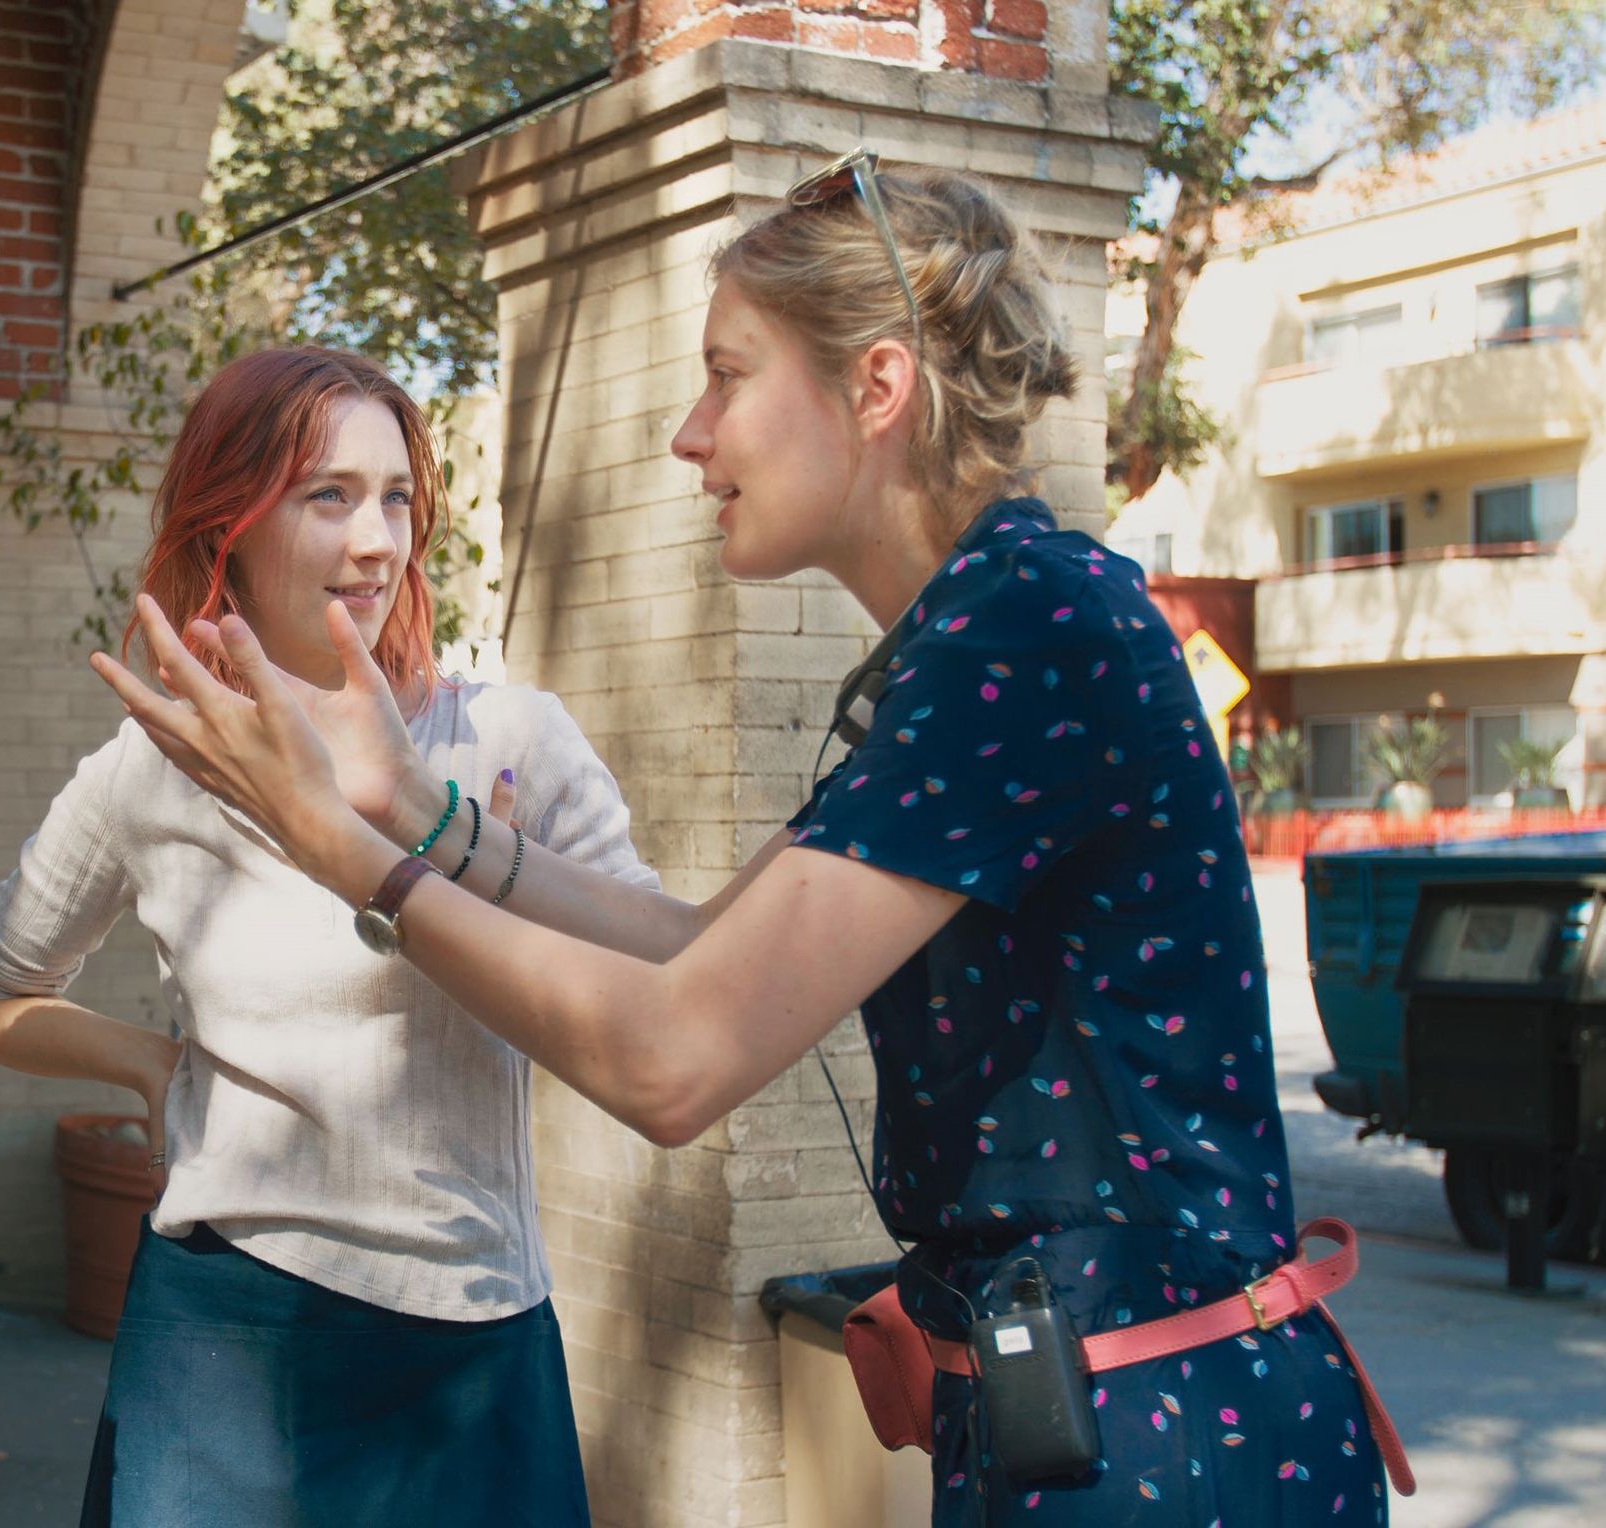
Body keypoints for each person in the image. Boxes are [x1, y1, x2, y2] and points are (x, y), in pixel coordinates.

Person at [91, 158, 1409, 1525]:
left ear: (875, 388)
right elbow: (703, 946)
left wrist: (341, 851)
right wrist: (414, 812)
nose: (685, 432)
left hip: (1161, 1446)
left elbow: (672, 1062)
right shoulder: (979, 627)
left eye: (726, 375)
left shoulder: (1032, 628)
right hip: (1063, 1424)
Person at [0, 346, 662, 1525]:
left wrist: (471, 853)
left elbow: (658, 984)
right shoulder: (154, 768)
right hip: (226, 1338)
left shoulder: (508, 746)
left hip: (473, 1337)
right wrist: (141, 1059)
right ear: (232, 518)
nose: (375, 540)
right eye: (327, 495)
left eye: (395, 497)